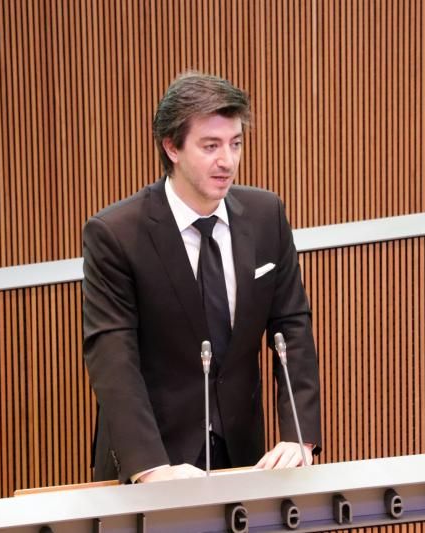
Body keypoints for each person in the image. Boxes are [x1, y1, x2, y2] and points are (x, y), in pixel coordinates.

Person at [82, 72, 322, 483]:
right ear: (171, 147)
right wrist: (150, 468)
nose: (227, 161)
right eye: (211, 146)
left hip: (243, 454)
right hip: (154, 459)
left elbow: (292, 327)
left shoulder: (266, 217)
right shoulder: (117, 234)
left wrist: (300, 436)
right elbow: (113, 358)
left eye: (235, 143)